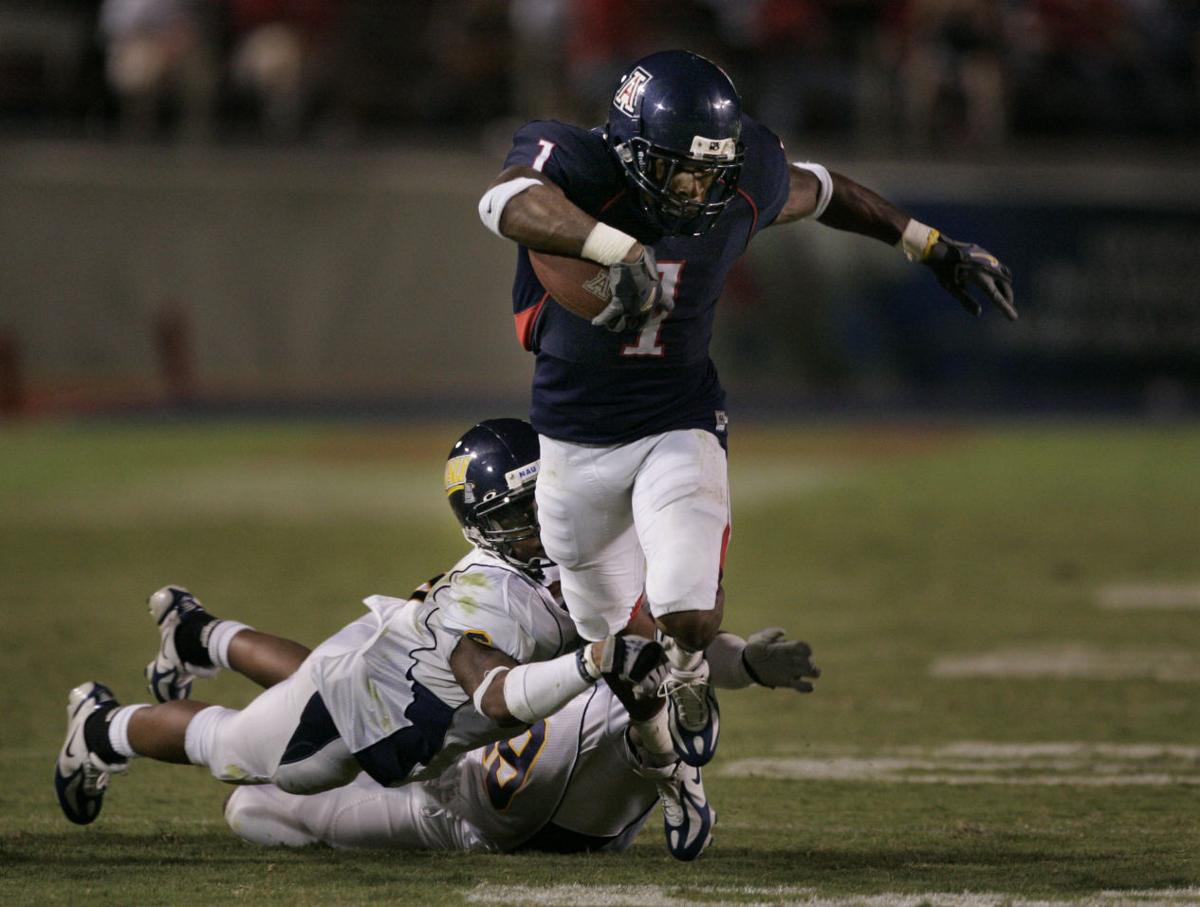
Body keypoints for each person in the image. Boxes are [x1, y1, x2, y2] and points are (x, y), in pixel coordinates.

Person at [477, 48, 1015, 773]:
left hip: (679, 414)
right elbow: (504, 201)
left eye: (712, 171)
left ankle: (694, 676)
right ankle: (672, 766)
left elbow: (824, 192)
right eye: (681, 168)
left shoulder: (743, 177)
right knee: (620, 657)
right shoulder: (577, 160)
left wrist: (926, 243)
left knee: (687, 609)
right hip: (574, 439)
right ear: (633, 152)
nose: (699, 188)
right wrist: (615, 248)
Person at [53, 418, 820, 861]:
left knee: (313, 676)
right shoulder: (493, 593)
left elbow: (652, 647)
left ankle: (199, 633)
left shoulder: (575, 552)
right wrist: (590, 660)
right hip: (376, 711)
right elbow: (493, 693)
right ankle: (101, 729)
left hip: (405, 683)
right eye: (521, 515)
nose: (542, 526)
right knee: (235, 751)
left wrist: (745, 660)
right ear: (486, 527)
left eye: (543, 503)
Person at [219, 626, 817, 855]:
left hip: (461, 816)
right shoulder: (582, 615)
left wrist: (745, 663)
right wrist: (746, 665)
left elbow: (679, 647)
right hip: (455, 775)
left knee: (255, 804)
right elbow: (674, 648)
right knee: (333, 699)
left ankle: (206, 640)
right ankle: (207, 639)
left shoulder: (644, 711)